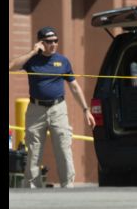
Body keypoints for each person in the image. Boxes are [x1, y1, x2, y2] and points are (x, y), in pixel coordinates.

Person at [8, 26, 96, 188]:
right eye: (49, 42)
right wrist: (33, 52)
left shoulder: (62, 61)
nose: (54, 44)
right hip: (36, 109)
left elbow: (74, 86)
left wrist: (86, 110)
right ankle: (32, 187)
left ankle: (67, 186)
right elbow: (11, 67)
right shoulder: (31, 60)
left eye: (56, 41)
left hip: (58, 109)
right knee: (34, 150)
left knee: (63, 147)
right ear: (41, 43)